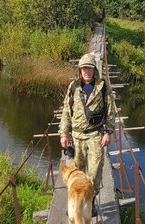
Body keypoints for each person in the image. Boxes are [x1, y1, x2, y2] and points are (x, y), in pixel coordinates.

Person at [59, 53, 116, 215]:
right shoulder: (73, 87)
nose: (86, 72)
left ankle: (90, 202)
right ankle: (74, 203)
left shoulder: (103, 86)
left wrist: (108, 131)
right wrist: (64, 133)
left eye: (89, 69)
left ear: (94, 70)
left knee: (95, 172)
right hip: (76, 137)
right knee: (76, 173)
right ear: (79, 70)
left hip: (96, 136)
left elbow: (111, 111)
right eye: (83, 68)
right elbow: (66, 112)